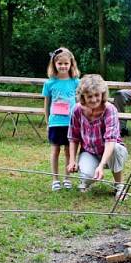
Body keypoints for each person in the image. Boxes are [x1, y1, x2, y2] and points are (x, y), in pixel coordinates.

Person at [67, 74, 129, 198]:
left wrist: (101, 165)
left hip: (111, 150)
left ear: (102, 94)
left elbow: (111, 140)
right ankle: (86, 181)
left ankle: (119, 186)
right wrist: (72, 160)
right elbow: (73, 137)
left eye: (97, 95)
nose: (94, 99)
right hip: (89, 151)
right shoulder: (77, 110)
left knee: (116, 148)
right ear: (83, 96)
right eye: (90, 96)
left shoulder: (110, 110)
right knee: (87, 176)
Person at [42, 47, 81, 191]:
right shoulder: (49, 83)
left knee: (69, 152)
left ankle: (67, 178)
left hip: (71, 123)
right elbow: (46, 104)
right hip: (55, 123)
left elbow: (79, 103)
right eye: (60, 64)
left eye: (66, 63)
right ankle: (55, 179)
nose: (63, 66)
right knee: (55, 150)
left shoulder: (76, 82)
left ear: (71, 64)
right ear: (54, 65)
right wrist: (48, 122)